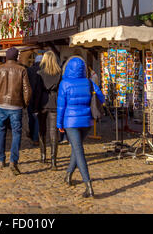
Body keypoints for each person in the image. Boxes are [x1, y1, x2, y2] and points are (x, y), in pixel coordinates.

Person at [57, 55, 105, 198]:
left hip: (70, 122)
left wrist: (59, 124)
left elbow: (61, 106)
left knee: (79, 151)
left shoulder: (65, 84)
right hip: (87, 121)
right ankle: (68, 175)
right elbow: (101, 97)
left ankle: (88, 185)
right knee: (76, 149)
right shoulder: (89, 83)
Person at [0, 47, 32, 176]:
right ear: (16, 57)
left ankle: (1, 159)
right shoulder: (22, 70)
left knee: (1, 131)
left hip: (2, 105)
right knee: (16, 133)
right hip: (16, 105)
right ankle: (13, 160)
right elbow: (27, 90)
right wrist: (24, 103)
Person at [35, 51, 62, 170]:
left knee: (42, 130)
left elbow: (38, 91)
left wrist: (35, 106)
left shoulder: (40, 73)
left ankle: (43, 155)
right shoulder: (59, 73)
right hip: (54, 102)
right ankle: (53, 161)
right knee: (53, 133)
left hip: (43, 102)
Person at [26, 55, 43, 146]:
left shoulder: (29, 70)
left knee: (31, 117)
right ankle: (36, 138)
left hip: (29, 97)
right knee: (37, 119)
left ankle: (32, 134)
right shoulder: (43, 71)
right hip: (40, 97)